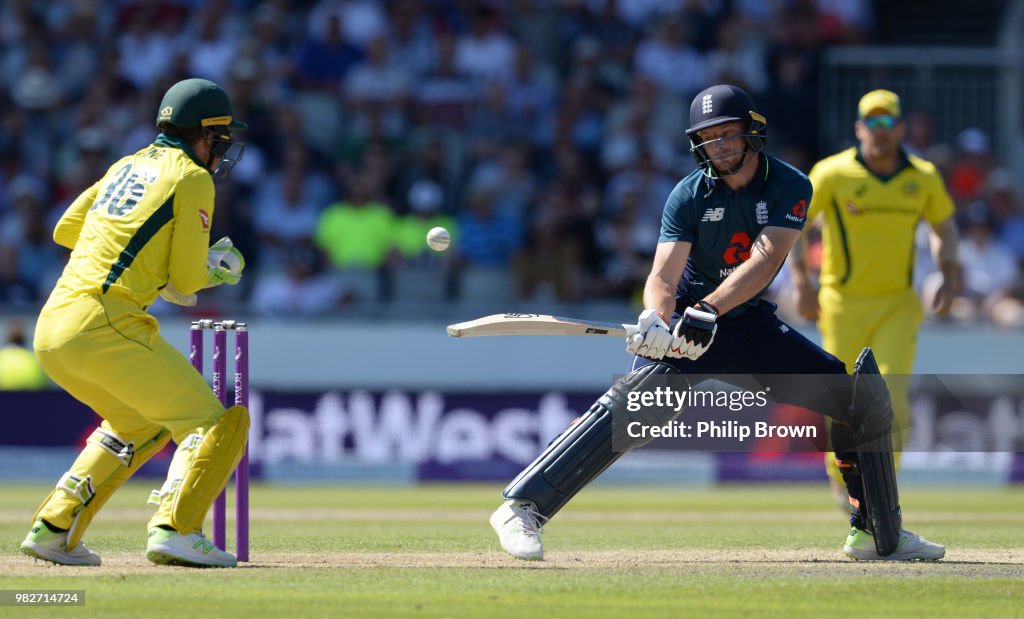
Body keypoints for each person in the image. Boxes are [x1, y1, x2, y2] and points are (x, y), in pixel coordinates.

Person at [486, 84, 945, 562]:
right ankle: (522, 506)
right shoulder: (687, 195)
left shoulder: (791, 185)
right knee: (635, 414)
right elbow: (662, 275)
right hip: (689, 328)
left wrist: (710, 310)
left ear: (752, 133)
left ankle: (873, 532)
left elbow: (765, 263)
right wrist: (656, 317)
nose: (720, 145)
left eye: (728, 133)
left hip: (746, 326)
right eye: (709, 137)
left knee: (857, 401)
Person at [19, 78, 249, 568]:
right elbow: (186, 281)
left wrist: (147, 257)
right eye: (220, 139)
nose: (221, 151)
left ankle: (55, 528)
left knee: (139, 425)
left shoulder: (126, 164)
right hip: (107, 320)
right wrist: (215, 267)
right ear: (204, 134)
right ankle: (176, 530)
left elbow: (65, 230)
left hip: (54, 326)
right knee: (215, 424)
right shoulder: (192, 176)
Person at [789, 89, 960, 509]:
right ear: (859, 128)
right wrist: (802, 284)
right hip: (842, 304)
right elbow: (794, 227)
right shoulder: (832, 173)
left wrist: (949, 274)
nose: (880, 132)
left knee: (892, 395)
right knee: (842, 399)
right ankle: (842, 478)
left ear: (901, 127)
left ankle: (883, 488)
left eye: (889, 123)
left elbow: (945, 228)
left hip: (898, 304)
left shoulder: (922, 176)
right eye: (873, 122)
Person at [0, 321, 48, 390]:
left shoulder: (1, 357)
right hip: (30, 398)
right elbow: (43, 384)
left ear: (7, 339)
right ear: (24, 341)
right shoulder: (33, 359)